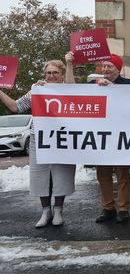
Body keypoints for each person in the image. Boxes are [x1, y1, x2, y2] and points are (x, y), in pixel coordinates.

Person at [0, 58, 76, 228]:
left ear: (62, 74)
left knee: (61, 172)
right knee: (39, 173)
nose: (51, 75)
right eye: (48, 73)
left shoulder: (67, 89)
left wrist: (70, 64)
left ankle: (58, 210)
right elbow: (15, 107)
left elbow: (71, 86)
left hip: (62, 137)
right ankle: (45, 211)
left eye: (55, 72)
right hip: (39, 138)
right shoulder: (37, 90)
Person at [85, 54, 130, 224]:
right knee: (103, 174)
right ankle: (107, 208)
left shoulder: (127, 84)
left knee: (122, 174)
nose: (105, 69)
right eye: (104, 66)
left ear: (118, 68)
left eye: (109, 66)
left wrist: (112, 87)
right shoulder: (94, 84)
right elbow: (72, 89)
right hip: (102, 137)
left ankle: (123, 209)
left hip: (121, 136)